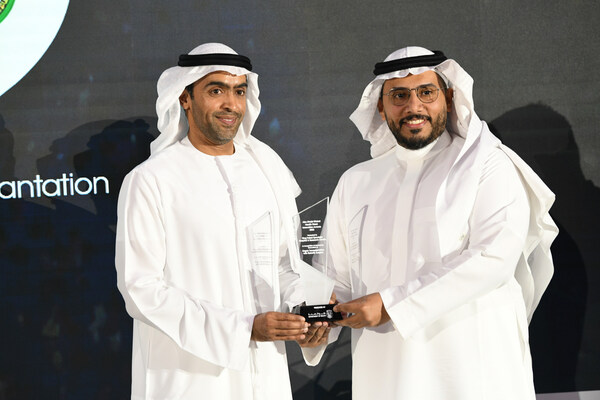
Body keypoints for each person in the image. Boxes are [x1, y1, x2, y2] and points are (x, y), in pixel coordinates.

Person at [319, 46, 558, 399]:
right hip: (385, 372)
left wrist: (390, 305)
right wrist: (320, 318)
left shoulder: (487, 164)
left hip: (473, 371)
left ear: (448, 97)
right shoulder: (356, 182)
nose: (413, 106)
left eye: (426, 92)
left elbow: (493, 259)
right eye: (399, 95)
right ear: (381, 107)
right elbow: (336, 278)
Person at [115, 42, 329, 400]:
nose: (231, 104)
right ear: (185, 98)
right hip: (189, 376)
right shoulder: (152, 179)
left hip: (265, 371)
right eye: (216, 91)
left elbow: (283, 264)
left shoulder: (267, 168)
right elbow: (141, 289)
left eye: (239, 91)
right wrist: (244, 329)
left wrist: (303, 309)